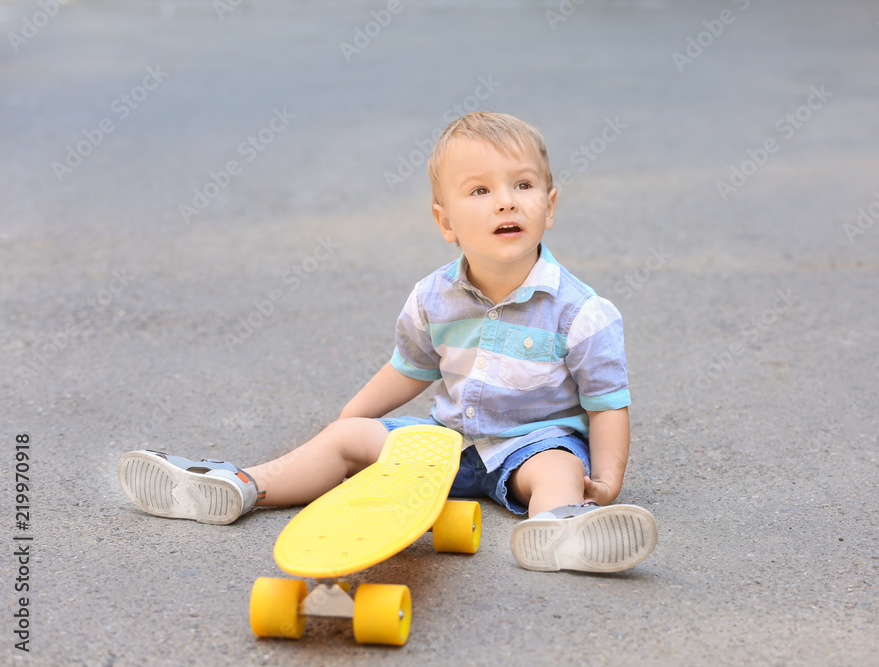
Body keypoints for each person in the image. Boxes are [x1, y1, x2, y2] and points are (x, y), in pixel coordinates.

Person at [118, 111, 657, 573]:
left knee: (560, 469)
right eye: (480, 190)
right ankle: (238, 487)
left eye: (522, 186)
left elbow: (607, 403)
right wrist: (350, 421)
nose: (505, 203)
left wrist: (606, 479)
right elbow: (408, 368)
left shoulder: (582, 312)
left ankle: (562, 528)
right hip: (446, 444)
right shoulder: (433, 298)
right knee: (344, 438)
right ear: (445, 222)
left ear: (550, 205)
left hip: (530, 447)